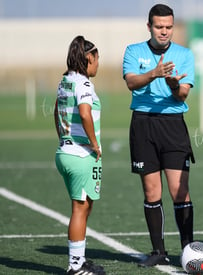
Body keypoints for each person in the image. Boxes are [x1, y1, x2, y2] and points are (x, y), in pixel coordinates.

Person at [122, 4, 195, 267]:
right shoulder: (134, 51)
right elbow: (131, 82)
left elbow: (183, 93)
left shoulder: (184, 54)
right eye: (159, 27)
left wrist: (174, 84)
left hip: (173, 124)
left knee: (179, 191)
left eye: (168, 27)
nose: (164, 31)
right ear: (149, 26)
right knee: (152, 191)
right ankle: (158, 251)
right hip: (143, 124)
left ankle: (188, 250)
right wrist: (155, 74)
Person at [54, 35, 105, 275]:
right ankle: (75, 266)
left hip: (65, 151)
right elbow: (85, 113)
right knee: (80, 208)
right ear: (88, 58)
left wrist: (63, 138)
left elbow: (56, 111)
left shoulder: (65, 80)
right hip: (81, 154)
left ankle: (80, 261)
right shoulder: (83, 83)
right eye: (97, 59)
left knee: (82, 207)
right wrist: (94, 144)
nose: (98, 64)